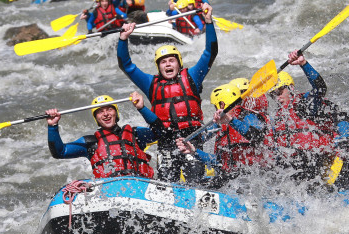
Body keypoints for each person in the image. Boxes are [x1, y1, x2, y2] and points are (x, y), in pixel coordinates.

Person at [117, 4, 216, 183]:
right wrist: (123, 39)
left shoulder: (192, 76)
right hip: (165, 140)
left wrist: (208, 23)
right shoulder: (150, 83)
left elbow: (210, 52)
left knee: (195, 182)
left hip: (192, 138)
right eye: (163, 62)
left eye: (171, 60)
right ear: (158, 66)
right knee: (166, 185)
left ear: (179, 64)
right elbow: (127, 65)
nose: (168, 65)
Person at [45, 92, 166, 179]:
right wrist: (53, 126)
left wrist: (141, 108)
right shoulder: (90, 143)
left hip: (140, 187)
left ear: (116, 113)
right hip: (109, 193)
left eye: (109, 109)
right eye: (100, 111)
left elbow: (161, 132)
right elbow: (60, 152)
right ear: (96, 118)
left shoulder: (135, 134)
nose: (106, 114)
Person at [175, 83, 272, 188]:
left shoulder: (247, 116)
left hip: (253, 180)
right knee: (194, 185)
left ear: (221, 105)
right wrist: (194, 151)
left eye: (215, 106)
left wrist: (231, 120)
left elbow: (258, 137)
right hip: (232, 179)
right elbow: (220, 162)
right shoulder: (223, 127)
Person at [269, 50, 338, 183]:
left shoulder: (304, 103)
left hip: (315, 162)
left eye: (280, 92)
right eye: (273, 95)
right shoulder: (278, 116)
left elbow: (320, 88)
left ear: (291, 89)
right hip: (290, 165)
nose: (278, 98)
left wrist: (303, 63)